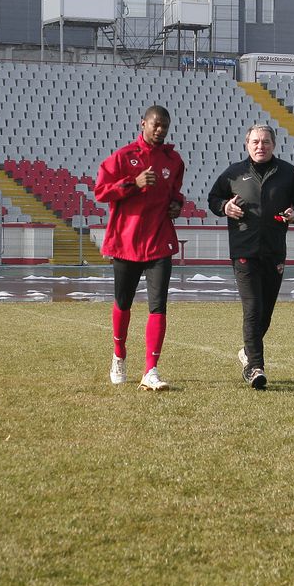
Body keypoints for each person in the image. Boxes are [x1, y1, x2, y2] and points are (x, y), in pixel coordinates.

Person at [208, 124, 294, 389]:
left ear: (273, 145)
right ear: (247, 144)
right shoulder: (234, 173)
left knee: (265, 313)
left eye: (265, 141)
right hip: (244, 250)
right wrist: (225, 207)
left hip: (274, 251)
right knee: (253, 308)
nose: (260, 146)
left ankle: (247, 351)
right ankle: (255, 367)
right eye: (255, 141)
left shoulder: (288, 173)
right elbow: (213, 198)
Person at [94, 105, 185, 391]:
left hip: (159, 241)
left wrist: (177, 205)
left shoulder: (174, 160)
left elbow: (176, 193)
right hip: (126, 242)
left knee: (159, 306)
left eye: (165, 126)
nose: (160, 130)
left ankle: (151, 370)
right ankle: (119, 355)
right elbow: (100, 192)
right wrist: (133, 183)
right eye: (156, 124)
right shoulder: (123, 157)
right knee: (124, 303)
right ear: (143, 123)